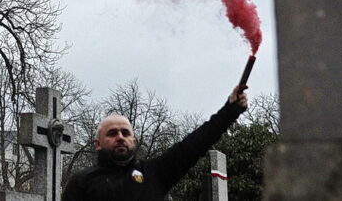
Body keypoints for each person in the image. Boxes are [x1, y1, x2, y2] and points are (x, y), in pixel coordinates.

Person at [62, 84, 249, 201]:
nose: (120, 137)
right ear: (98, 144)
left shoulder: (154, 173)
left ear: (134, 141)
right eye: (112, 133)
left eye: (125, 133)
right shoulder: (81, 182)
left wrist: (230, 110)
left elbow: (194, 145)